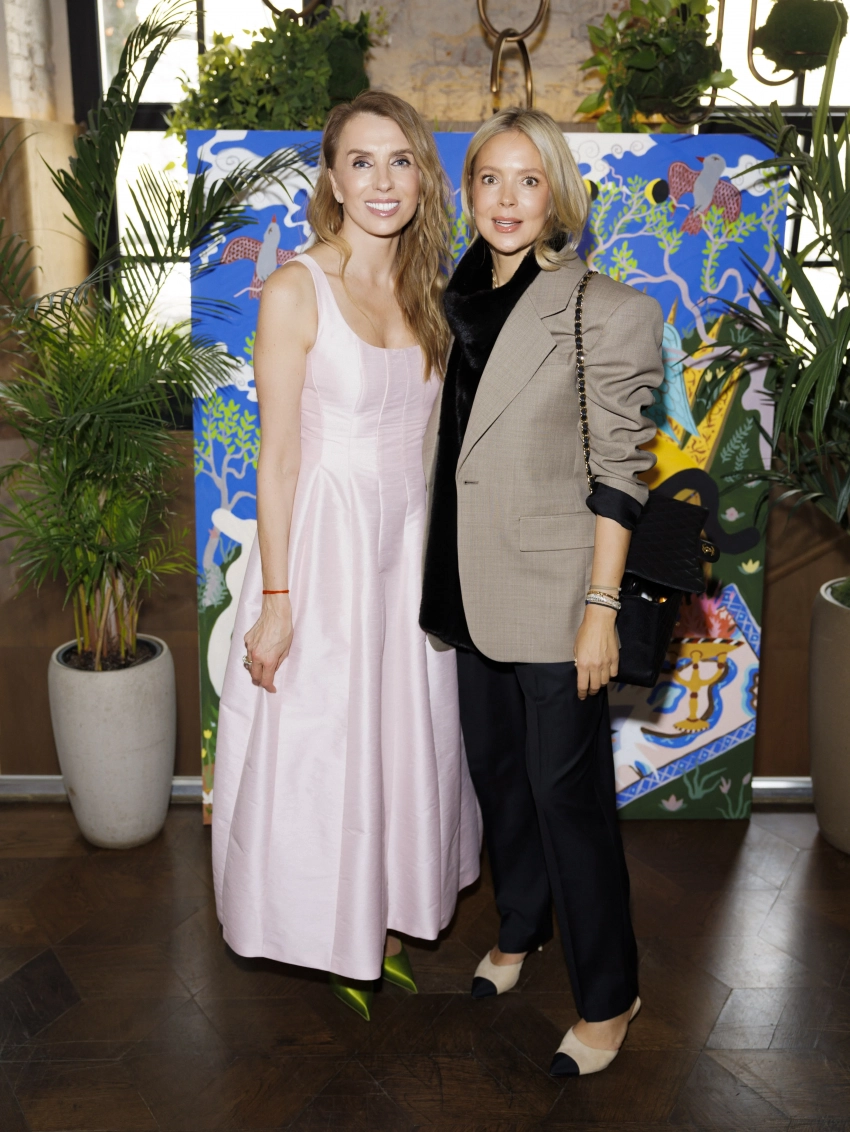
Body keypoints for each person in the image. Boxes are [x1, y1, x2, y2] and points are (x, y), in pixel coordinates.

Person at [212, 90, 481, 1023]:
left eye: (400, 160)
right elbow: (278, 457)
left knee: (402, 736)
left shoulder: (428, 285)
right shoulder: (296, 288)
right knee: (323, 743)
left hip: (408, 547)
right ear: (331, 178)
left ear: (423, 177)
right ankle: (321, 924)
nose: (381, 180)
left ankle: (386, 911)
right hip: (327, 546)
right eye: (361, 161)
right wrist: (277, 598)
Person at [420, 107, 664, 1076]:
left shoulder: (605, 308)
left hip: (557, 595)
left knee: (570, 799)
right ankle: (520, 924)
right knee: (497, 778)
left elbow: (621, 473)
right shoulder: (448, 300)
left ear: (559, 195)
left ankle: (609, 995)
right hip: (463, 588)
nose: (508, 199)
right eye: (490, 178)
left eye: (529, 180)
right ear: (468, 191)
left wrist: (599, 609)